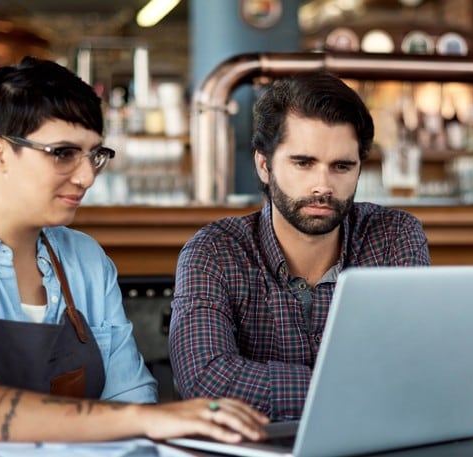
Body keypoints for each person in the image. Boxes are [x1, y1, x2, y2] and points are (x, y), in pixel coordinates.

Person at [0, 57, 267, 456]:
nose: (87, 175)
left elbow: (130, 394)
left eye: (95, 155)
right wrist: (146, 422)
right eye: (62, 153)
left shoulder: (85, 260)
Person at [168, 72, 432, 421]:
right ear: (264, 165)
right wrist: (357, 389)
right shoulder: (214, 252)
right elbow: (207, 379)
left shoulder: (394, 236)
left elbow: (419, 371)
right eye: (303, 163)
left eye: (341, 166)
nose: (323, 186)